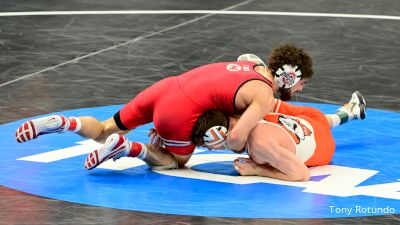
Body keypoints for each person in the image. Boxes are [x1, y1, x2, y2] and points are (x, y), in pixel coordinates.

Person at [15, 43, 314, 170]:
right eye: (302, 84)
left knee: (103, 129)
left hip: (166, 87)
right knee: (176, 162)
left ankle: (65, 123)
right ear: (289, 78)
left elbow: (235, 71)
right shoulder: (263, 95)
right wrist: (220, 141)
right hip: (181, 111)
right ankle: (128, 148)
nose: (301, 90)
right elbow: (236, 140)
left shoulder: (252, 65)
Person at [191, 91, 366, 181]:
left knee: (269, 107)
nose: (224, 149)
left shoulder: (259, 145)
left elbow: (302, 174)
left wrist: (258, 170)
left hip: (324, 148)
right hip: (311, 118)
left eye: (222, 146)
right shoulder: (238, 113)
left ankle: (347, 113)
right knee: (267, 104)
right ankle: (348, 112)